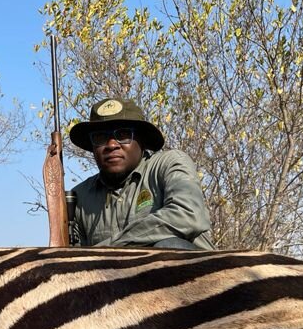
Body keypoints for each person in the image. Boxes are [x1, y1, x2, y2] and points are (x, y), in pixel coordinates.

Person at [50, 97, 213, 250]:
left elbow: (188, 216)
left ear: (141, 140)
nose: (111, 144)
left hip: (194, 276)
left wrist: (108, 249)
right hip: (114, 279)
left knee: (170, 246)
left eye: (123, 135)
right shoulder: (79, 197)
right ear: (93, 147)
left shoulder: (169, 164)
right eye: (100, 137)